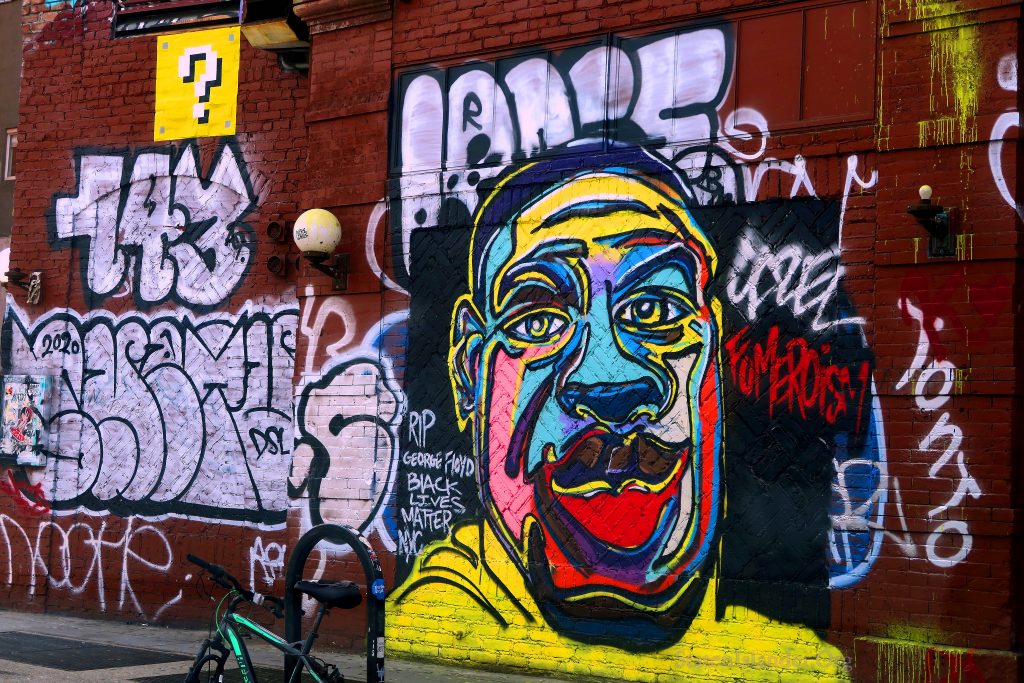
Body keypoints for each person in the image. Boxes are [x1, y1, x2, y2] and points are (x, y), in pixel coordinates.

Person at [389, 143, 849, 681]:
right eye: (538, 322)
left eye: (655, 310)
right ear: (471, 370)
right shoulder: (431, 609)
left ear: (714, 357)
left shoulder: (789, 656)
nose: (609, 383)